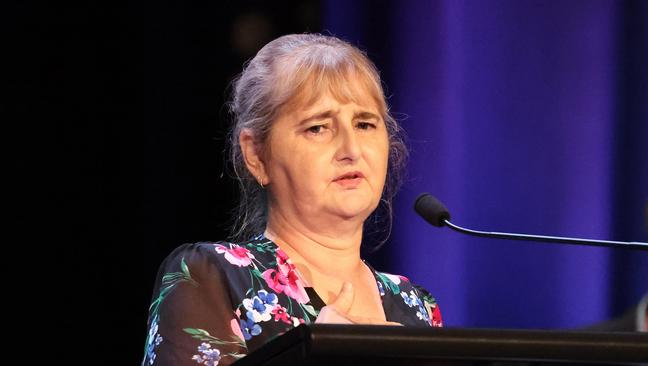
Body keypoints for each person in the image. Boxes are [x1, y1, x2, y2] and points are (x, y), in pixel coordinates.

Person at [142, 33, 442, 366]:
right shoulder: (212, 278)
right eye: (318, 128)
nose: (351, 150)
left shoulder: (416, 305)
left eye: (364, 124)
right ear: (256, 155)